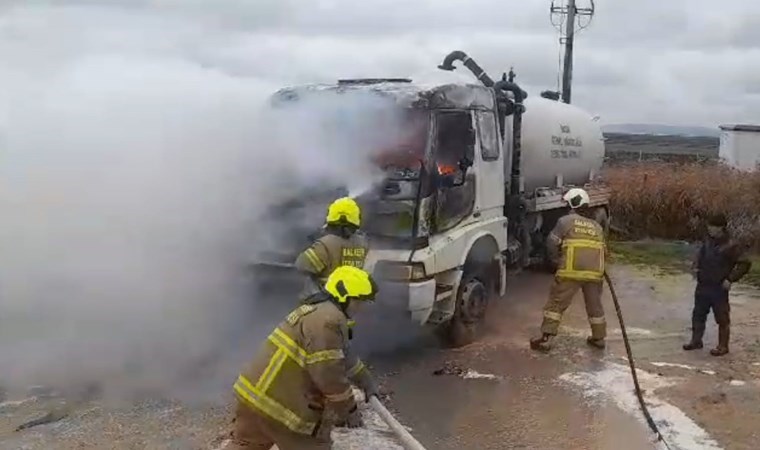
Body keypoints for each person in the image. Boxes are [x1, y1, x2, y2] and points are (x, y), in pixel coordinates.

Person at [229, 266, 380, 450]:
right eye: (360, 301)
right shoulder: (329, 320)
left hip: (253, 396)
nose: (362, 308)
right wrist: (347, 410)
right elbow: (328, 372)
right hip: (281, 409)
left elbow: (343, 356)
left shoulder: (317, 311)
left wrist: (365, 381)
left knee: (245, 446)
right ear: (344, 296)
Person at [530, 187, 608, 352]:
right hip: (595, 272)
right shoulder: (596, 226)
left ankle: (546, 339)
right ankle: (599, 338)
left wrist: (555, 260)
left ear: (572, 203)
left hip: (571, 271)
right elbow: (603, 250)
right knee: (595, 306)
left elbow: (551, 242)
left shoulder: (565, 221)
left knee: (556, 304)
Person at [683, 213, 752, 356]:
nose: (710, 230)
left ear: (721, 228)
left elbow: (745, 264)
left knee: (722, 317)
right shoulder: (707, 241)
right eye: (709, 227)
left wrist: (730, 279)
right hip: (703, 285)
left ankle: (723, 346)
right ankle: (696, 341)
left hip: (719, 287)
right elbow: (700, 256)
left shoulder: (731, 245)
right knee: (698, 314)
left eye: (713, 227)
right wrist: (695, 268)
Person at [295, 197, 369, 304]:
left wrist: (315, 242)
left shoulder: (325, 244)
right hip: (350, 300)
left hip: (323, 299)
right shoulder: (362, 243)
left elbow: (301, 265)